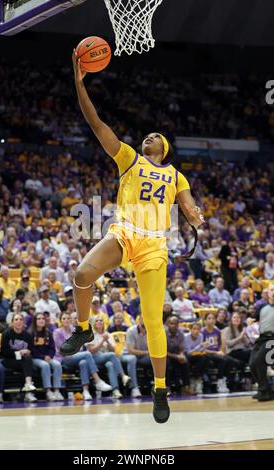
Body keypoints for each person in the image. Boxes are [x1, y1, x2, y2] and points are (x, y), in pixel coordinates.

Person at [59, 49, 204, 423]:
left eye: (155, 136)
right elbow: (96, 124)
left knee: (153, 321)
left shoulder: (176, 176)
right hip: (125, 233)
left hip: (154, 246)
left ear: (164, 149)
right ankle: (83, 328)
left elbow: (187, 205)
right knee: (81, 275)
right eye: (147, 135)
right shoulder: (128, 158)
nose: (148, 137)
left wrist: (194, 214)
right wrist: (79, 85)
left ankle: (159, 389)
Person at [53, 312, 112, 401]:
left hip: (77, 356)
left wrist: (76, 352)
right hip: (64, 358)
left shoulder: (75, 330)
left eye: (68, 318)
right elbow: (62, 349)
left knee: (83, 363)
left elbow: (80, 345)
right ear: (60, 320)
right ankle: (98, 380)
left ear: (71, 320)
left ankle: (85, 391)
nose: (66, 320)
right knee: (87, 354)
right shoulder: (57, 332)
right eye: (64, 318)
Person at [87, 315, 131, 399]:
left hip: (106, 358)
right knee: (111, 355)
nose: (99, 322)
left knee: (111, 365)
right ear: (93, 323)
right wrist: (102, 341)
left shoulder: (107, 334)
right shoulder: (90, 334)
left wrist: (107, 340)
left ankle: (115, 390)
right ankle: (123, 376)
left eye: (101, 320)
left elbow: (113, 350)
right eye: (97, 321)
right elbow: (92, 350)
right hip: (94, 359)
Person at [0, 313, 37, 403]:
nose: (18, 321)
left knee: (27, 359)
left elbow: (32, 350)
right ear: (12, 322)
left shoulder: (28, 335)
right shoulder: (6, 334)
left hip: (22, 361)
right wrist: (18, 352)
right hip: (8, 360)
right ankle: (28, 392)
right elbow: (4, 352)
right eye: (16, 319)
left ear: (24, 322)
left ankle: (28, 387)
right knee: (28, 364)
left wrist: (28, 351)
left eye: (20, 319)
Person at [29, 313, 64, 402]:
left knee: (57, 364)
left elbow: (52, 348)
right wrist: (43, 357)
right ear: (35, 321)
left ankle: (56, 390)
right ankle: (48, 390)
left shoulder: (48, 332)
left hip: (48, 357)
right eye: (39, 319)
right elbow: (31, 350)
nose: (41, 320)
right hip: (35, 358)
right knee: (45, 365)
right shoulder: (30, 333)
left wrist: (49, 356)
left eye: (43, 319)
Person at [202, 312, 239, 393]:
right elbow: (201, 349)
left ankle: (223, 380)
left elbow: (219, 345)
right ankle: (219, 381)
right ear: (205, 321)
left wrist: (220, 351)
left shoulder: (217, 331)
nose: (211, 320)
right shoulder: (202, 332)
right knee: (223, 360)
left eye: (213, 319)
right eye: (209, 318)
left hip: (216, 353)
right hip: (206, 354)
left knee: (230, 360)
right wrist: (216, 353)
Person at [249, 283, 274, 401]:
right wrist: (249, 320)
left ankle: (264, 391)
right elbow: (252, 318)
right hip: (261, 338)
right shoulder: (262, 307)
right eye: (271, 290)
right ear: (268, 293)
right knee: (252, 363)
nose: (273, 292)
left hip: (272, 339)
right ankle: (265, 390)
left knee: (259, 360)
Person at [121, 316, 150, 398]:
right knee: (132, 359)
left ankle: (160, 386)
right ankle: (135, 388)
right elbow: (131, 351)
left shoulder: (151, 331)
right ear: (139, 319)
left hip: (142, 356)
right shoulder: (131, 330)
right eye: (144, 318)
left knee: (157, 359)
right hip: (127, 356)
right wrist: (148, 352)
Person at [165, 316, 194, 394]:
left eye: (176, 324)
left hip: (176, 355)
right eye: (172, 323)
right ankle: (167, 387)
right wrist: (177, 356)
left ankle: (186, 386)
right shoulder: (163, 334)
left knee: (185, 360)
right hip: (166, 356)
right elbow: (163, 352)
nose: (174, 325)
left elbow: (181, 348)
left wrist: (181, 355)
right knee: (165, 363)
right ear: (167, 324)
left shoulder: (180, 333)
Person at [184, 322, 209, 394]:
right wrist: (200, 346)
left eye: (198, 329)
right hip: (188, 355)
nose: (196, 331)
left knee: (205, 357)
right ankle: (192, 380)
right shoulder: (186, 337)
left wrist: (204, 346)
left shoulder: (201, 336)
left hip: (196, 355)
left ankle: (198, 378)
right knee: (188, 358)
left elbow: (200, 349)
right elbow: (189, 352)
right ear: (190, 329)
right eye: (194, 329)